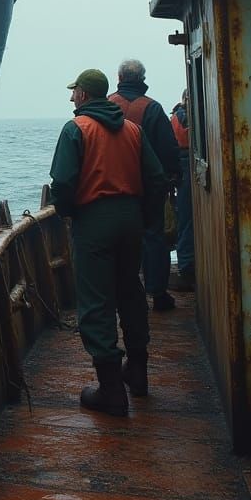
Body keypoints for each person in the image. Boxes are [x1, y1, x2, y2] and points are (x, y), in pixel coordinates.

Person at [50, 68, 168, 416]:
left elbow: (62, 184)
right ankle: (138, 371)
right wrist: (145, 218)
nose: (72, 98)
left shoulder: (76, 129)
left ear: (85, 95)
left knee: (96, 300)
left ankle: (112, 390)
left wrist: (70, 213)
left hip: (94, 221)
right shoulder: (132, 130)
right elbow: (157, 178)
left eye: (75, 93)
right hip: (131, 220)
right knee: (130, 291)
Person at [109, 59, 180, 311]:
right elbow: (168, 149)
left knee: (115, 239)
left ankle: (117, 294)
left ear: (119, 78)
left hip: (111, 188)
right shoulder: (152, 108)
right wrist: (173, 178)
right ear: (142, 78)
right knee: (153, 237)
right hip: (148, 187)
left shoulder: (105, 105)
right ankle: (158, 293)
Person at [170, 92, 195, 291]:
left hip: (179, 165)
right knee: (187, 221)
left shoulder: (175, 117)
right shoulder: (190, 118)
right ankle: (187, 266)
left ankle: (185, 265)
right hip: (188, 165)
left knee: (185, 220)